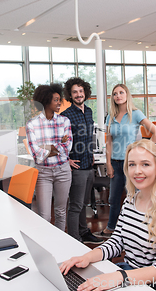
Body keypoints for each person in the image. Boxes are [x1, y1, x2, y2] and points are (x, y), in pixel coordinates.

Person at [60, 140, 156, 291]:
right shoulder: (130, 200)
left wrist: (120, 277)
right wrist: (87, 257)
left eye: (145, 164)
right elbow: (117, 241)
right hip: (131, 275)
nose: (137, 171)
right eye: (132, 164)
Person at [98, 84, 156, 237]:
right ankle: (111, 228)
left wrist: (144, 152)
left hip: (131, 165)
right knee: (113, 199)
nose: (118, 95)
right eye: (115, 93)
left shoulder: (135, 114)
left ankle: (139, 231)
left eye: (121, 92)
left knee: (136, 198)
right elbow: (109, 141)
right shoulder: (110, 117)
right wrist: (108, 163)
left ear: (127, 95)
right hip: (115, 163)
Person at [61, 77, 103, 245]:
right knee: (75, 205)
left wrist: (92, 153)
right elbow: (59, 141)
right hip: (76, 165)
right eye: (74, 92)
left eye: (80, 91)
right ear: (70, 96)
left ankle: (84, 232)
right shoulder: (65, 116)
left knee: (84, 203)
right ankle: (74, 239)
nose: (78, 95)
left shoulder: (90, 111)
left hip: (88, 163)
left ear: (85, 92)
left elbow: (89, 136)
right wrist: (67, 159)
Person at [26, 83, 72, 231]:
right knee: (44, 216)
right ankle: (46, 244)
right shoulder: (32, 124)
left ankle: (59, 247)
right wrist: (57, 146)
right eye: (56, 100)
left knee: (60, 212)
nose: (59, 103)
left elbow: (67, 148)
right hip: (43, 173)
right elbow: (36, 154)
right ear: (46, 101)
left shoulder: (64, 121)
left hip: (63, 171)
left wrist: (46, 147)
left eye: (60, 99)